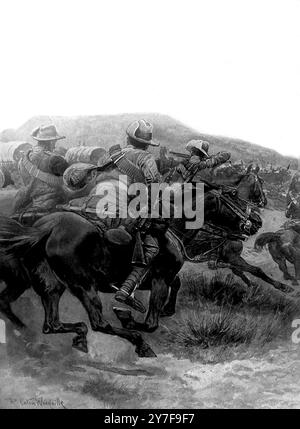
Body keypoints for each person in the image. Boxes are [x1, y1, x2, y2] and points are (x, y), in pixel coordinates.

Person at [14, 124, 69, 221]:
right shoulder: (54, 159)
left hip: (32, 201)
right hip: (53, 203)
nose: (55, 143)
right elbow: (67, 180)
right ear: (51, 141)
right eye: (55, 141)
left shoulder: (24, 158)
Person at [166, 139, 231, 183]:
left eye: (192, 150)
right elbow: (226, 154)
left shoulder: (186, 162)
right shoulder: (202, 163)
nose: (191, 152)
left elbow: (226, 154)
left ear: (194, 151)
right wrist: (210, 158)